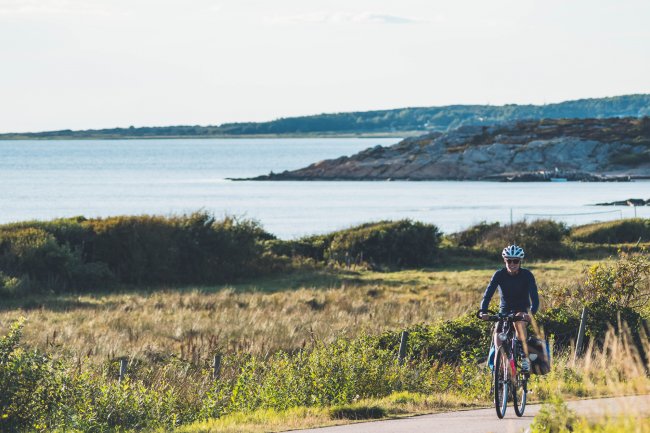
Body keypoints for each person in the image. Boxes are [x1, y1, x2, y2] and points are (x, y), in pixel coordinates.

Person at [479, 244, 539, 372]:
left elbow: (535, 298)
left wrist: (531, 313)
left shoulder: (527, 275)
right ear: (505, 261)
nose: (512, 264)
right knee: (497, 336)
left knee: (519, 324)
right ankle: (498, 374)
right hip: (504, 311)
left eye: (515, 261)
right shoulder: (499, 275)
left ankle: (524, 358)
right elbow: (487, 295)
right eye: (509, 261)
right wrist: (483, 311)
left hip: (522, 310)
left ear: (520, 262)